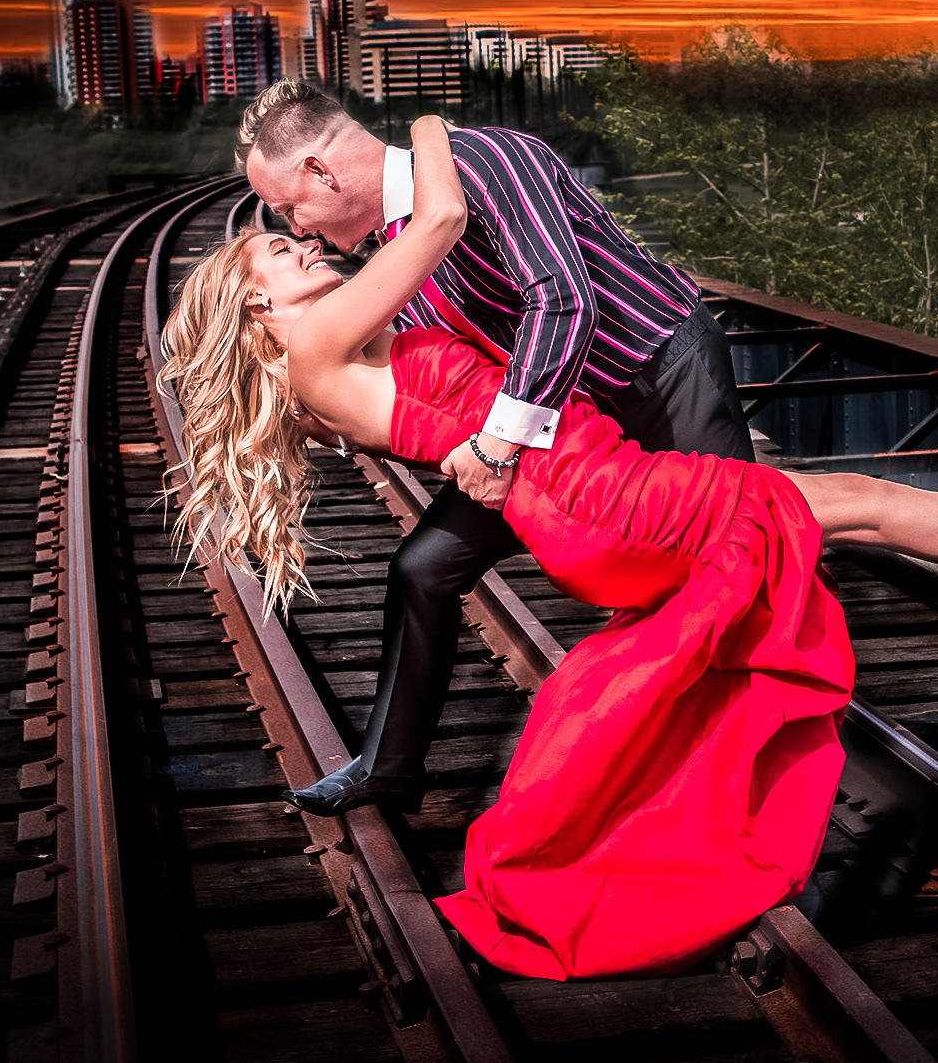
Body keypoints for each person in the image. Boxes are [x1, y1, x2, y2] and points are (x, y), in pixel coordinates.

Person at [161, 129, 938, 981]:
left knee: (843, 517)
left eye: (294, 232)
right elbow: (437, 216)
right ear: (258, 307)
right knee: (857, 506)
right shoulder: (318, 341)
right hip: (604, 500)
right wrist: (428, 128)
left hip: (588, 493)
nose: (303, 246)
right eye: (283, 255)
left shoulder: (332, 345)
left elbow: (491, 296)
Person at [237, 82, 751, 817]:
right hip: (560, 423)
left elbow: (564, 299)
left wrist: (498, 447)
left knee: (730, 556)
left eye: (289, 209)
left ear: (322, 172)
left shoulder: (484, 161)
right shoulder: (398, 248)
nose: (302, 230)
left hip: (657, 368)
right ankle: (388, 767)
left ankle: (743, 760)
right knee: (422, 568)